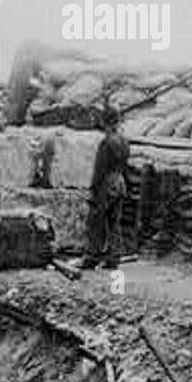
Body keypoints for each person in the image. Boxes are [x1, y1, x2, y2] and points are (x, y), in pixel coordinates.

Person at [82, 106, 129, 270]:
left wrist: (93, 189)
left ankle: (92, 257)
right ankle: (113, 258)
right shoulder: (124, 141)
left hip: (106, 184)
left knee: (96, 220)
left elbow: (100, 169)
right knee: (114, 222)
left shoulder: (106, 142)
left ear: (104, 122)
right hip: (120, 182)